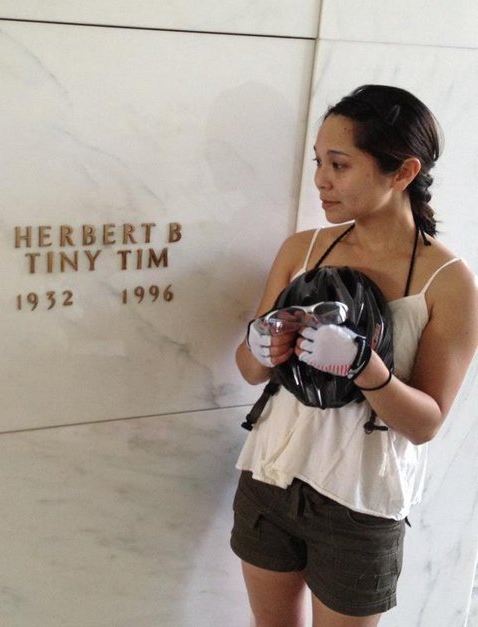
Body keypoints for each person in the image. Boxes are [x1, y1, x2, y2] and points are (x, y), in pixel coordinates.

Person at [231, 84, 478, 627]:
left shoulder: (449, 283)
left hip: (359, 504)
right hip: (269, 478)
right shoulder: (303, 249)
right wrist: (259, 345)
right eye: (320, 162)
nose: (321, 179)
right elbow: (250, 371)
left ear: (403, 172)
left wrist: (365, 366)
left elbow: (426, 424)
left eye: (339, 164)